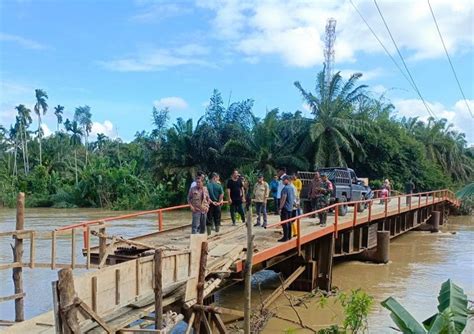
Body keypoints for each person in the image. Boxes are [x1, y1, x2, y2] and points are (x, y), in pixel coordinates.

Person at [278, 175, 295, 242]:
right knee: (289, 222)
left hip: (285, 208)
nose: (282, 181)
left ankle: (285, 237)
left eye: (283, 180)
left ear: (287, 180)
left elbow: (283, 198)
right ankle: (289, 236)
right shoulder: (291, 188)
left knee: (285, 223)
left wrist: (280, 207)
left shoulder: (285, 188)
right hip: (290, 208)